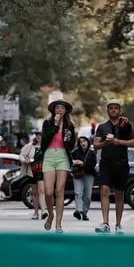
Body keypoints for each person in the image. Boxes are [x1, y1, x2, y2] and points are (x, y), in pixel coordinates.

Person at [94, 99, 134, 234]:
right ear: (107, 110)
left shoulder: (126, 125)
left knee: (119, 194)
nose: (113, 110)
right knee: (104, 190)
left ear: (120, 110)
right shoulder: (102, 127)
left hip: (121, 163)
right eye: (111, 108)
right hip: (106, 162)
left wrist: (118, 141)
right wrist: (105, 143)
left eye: (116, 108)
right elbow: (95, 145)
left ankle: (118, 224)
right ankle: (105, 223)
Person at [41, 99, 76, 233]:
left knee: (59, 190)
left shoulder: (70, 125)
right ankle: (50, 214)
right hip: (49, 156)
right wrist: (55, 125)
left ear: (65, 110)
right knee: (49, 192)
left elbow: (72, 143)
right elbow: (44, 141)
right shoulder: (47, 123)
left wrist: (67, 139)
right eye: (57, 108)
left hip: (63, 157)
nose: (59, 110)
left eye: (62, 108)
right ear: (53, 110)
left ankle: (58, 224)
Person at [19, 132, 46, 220]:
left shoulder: (46, 146)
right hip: (32, 171)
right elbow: (22, 156)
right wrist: (25, 160)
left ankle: (43, 211)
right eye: (37, 135)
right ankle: (35, 212)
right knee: (34, 192)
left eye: (40, 135)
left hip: (42, 171)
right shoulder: (30, 146)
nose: (38, 137)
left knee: (41, 191)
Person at [71, 136, 97, 221]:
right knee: (78, 192)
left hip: (89, 175)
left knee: (88, 196)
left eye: (84, 141)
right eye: (81, 142)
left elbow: (93, 164)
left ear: (88, 142)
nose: (83, 143)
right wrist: (74, 162)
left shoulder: (92, 153)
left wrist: (83, 163)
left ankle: (84, 213)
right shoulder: (75, 152)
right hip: (78, 174)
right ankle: (78, 211)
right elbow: (70, 161)